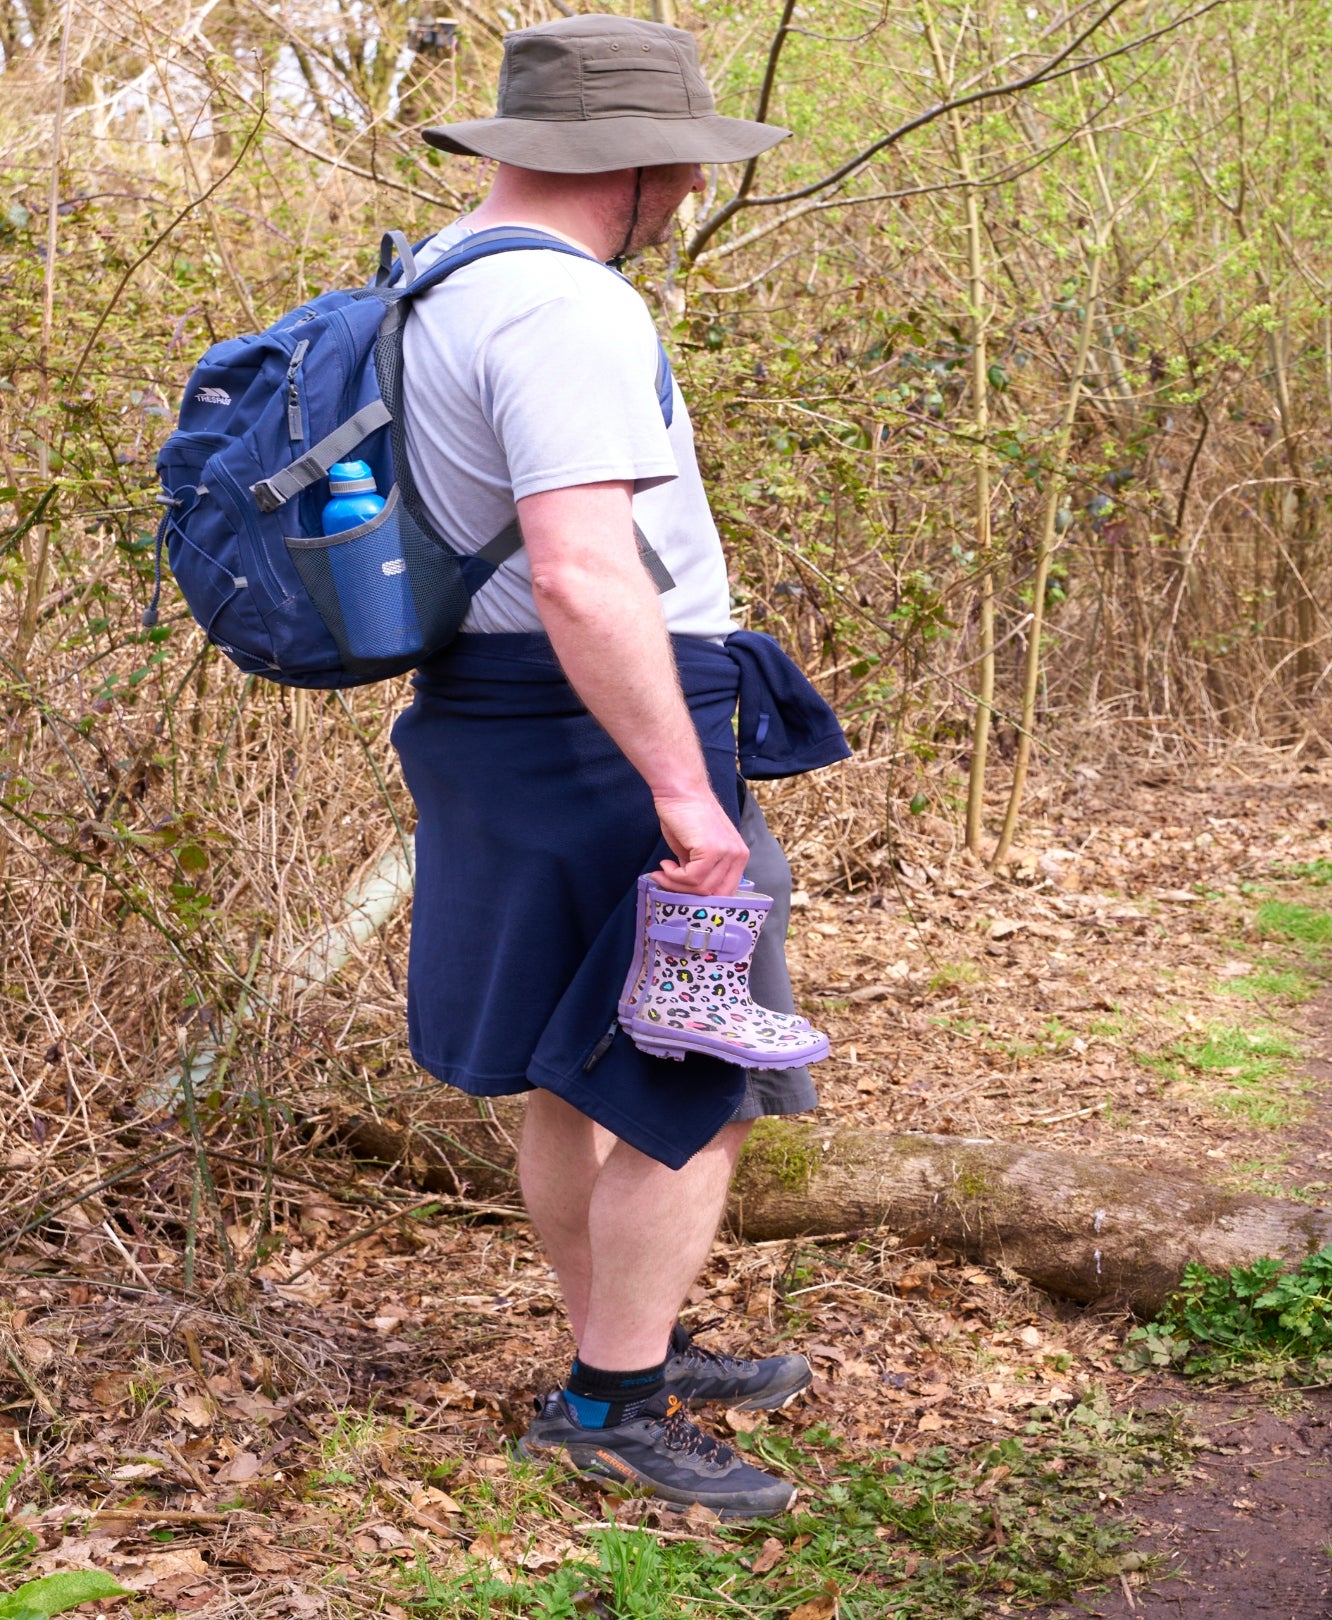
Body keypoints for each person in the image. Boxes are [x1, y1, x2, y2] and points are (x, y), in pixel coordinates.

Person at [394, 16, 850, 1515]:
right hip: (604, 731)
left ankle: (620, 1342)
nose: (694, 198)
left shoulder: (431, 283)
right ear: (641, 167)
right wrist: (681, 792)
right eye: (690, 171)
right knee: (695, 1067)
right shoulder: (568, 312)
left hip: (493, 711)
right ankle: (612, 1404)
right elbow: (587, 574)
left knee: (571, 1070)